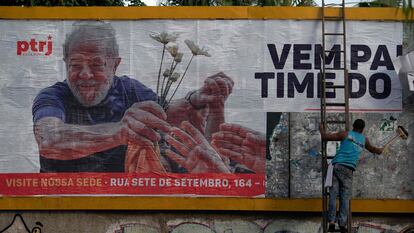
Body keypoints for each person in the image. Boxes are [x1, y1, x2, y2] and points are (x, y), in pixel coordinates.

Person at [32, 21, 233, 173]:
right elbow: (49, 139)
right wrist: (119, 132)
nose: (85, 74)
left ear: (115, 64)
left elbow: (165, 114)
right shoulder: (53, 96)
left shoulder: (130, 90)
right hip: (63, 205)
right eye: (75, 65)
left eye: (96, 64)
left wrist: (196, 100)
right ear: (66, 63)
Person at [319, 119, 383, 233]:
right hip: (348, 170)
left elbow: (325, 137)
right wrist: (379, 150)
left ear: (353, 126)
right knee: (345, 197)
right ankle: (342, 224)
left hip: (336, 166)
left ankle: (332, 223)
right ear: (363, 129)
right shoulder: (364, 140)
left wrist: (321, 128)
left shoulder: (345, 134)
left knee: (333, 195)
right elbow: (373, 149)